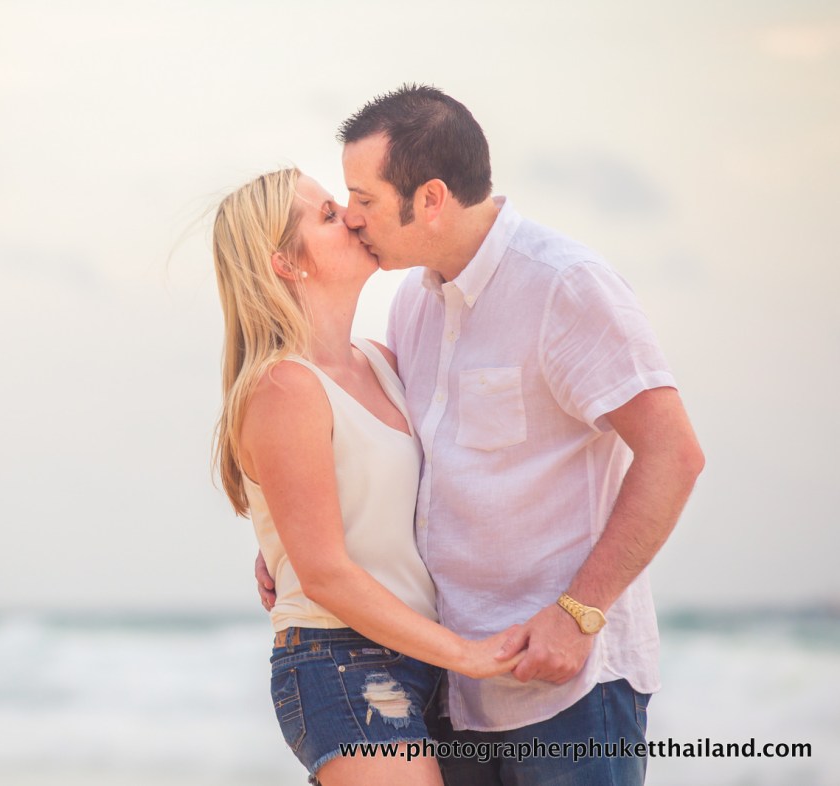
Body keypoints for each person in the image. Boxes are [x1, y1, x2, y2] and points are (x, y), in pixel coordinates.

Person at [257, 86, 704, 785]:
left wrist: (578, 613)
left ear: (430, 198)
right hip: (451, 691)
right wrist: (289, 544)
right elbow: (372, 455)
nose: (351, 216)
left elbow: (674, 454)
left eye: (365, 199)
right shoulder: (412, 305)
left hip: (566, 686)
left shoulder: (565, 285)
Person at [212, 167, 523, 786]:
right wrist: (468, 654)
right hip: (341, 662)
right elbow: (325, 573)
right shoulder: (284, 386)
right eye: (328, 215)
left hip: (421, 660)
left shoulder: (380, 361)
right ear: (286, 264)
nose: (353, 217)